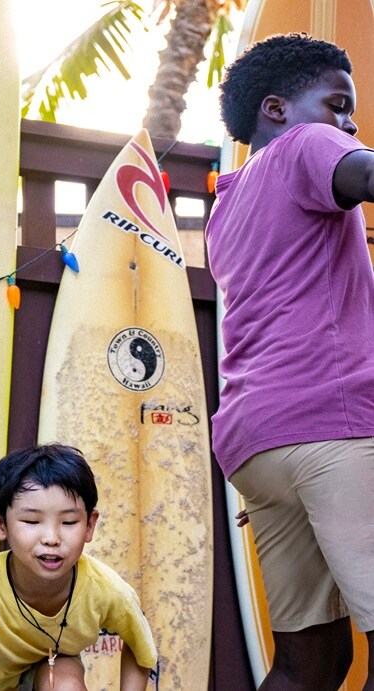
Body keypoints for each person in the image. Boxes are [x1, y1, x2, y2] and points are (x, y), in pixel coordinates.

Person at [209, 33, 374, 690]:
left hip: (257, 445)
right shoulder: (306, 146)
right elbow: (364, 171)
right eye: (338, 104)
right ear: (277, 109)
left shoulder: (229, 206)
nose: (349, 123)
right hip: (333, 423)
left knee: (310, 664)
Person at [0, 445, 156, 691]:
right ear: (0, 524)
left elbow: (141, 650)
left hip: (49, 670)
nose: (51, 538)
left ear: (89, 526)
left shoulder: (106, 589)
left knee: (64, 684)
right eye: (32, 521)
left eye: (69, 522)